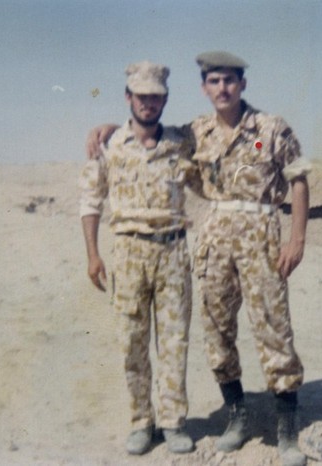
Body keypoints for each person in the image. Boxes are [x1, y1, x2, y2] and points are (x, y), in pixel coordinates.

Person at [86, 51, 311, 466]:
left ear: (242, 84)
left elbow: (297, 177)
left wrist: (296, 239)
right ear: (204, 88)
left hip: (260, 234)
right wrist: (110, 129)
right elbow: (150, 134)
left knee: (273, 327)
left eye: (229, 80)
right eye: (214, 81)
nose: (222, 88)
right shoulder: (196, 134)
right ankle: (237, 416)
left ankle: (287, 431)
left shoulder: (267, 130)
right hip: (215, 238)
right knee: (216, 329)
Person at [79, 60, 200, 456]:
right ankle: (141, 422)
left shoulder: (182, 142)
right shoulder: (109, 145)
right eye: (141, 96)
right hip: (129, 251)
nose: (149, 103)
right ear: (128, 97)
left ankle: (173, 422)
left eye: (156, 96)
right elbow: (90, 200)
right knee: (132, 342)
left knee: (174, 341)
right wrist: (93, 254)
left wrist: (258, 149)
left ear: (165, 99)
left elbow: (228, 144)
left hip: (173, 251)